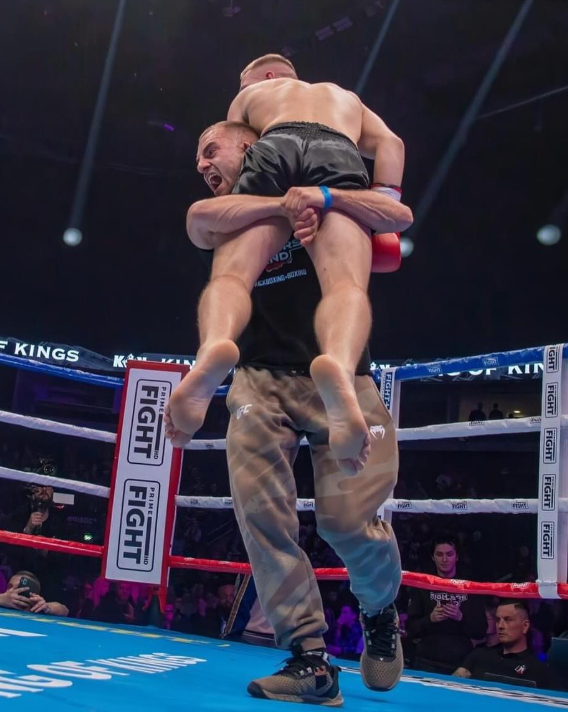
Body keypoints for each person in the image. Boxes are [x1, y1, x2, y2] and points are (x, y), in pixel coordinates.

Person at [178, 120, 408, 704]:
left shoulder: (327, 192)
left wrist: (322, 198)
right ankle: (309, 659)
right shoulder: (228, 217)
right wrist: (280, 205)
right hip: (258, 379)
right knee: (262, 517)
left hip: (344, 383)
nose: (202, 164)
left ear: (252, 148)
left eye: (212, 150)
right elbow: (198, 219)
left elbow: (394, 221)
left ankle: (379, 610)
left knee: (347, 524)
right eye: (198, 157)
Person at [167, 53, 406, 488]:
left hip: (274, 149)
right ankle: (338, 366)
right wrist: (384, 196)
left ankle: (213, 349)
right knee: (346, 285)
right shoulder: (346, 100)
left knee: (231, 277)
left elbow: (243, 142)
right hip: (339, 152)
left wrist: (280, 202)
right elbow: (392, 143)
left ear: (268, 77)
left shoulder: (253, 98)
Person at [406, 533, 487, 674]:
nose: (444, 559)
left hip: (460, 663)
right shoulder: (422, 585)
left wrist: (460, 617)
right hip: (426, 661)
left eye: (449, 554)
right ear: (433, 557)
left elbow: (481, 631)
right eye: (439, 554)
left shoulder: (470, 586)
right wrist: (430, 619)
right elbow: (411, 629)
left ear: (457, 556)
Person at [454, 601, 553, 688]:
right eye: (497, 620)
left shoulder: (539, 669)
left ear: (525, 626)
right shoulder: (478, 655)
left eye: (508, 619)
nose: (500, 626)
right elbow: (453, 687)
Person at [0, 571, 68, 616]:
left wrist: (46, 607)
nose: (11, 591)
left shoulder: (37, 610)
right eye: (9, 586)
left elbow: (64, 610)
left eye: (18, 588)